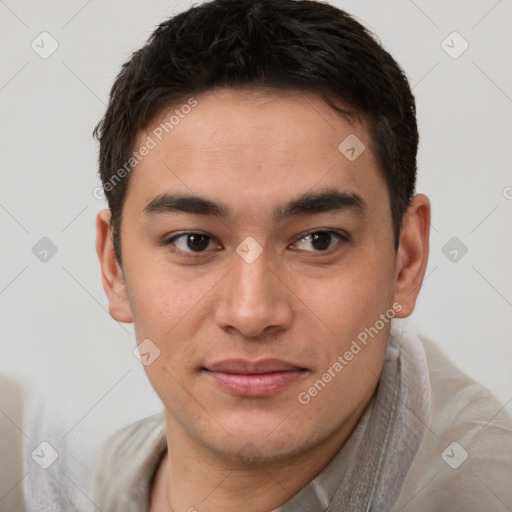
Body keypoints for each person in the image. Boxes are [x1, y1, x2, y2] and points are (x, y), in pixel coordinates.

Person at [91, 0, 512, 510]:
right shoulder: (103, 473)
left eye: (319, 240)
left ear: (406, 260)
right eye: (195, 241)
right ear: (114, 268)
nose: (251, 314)